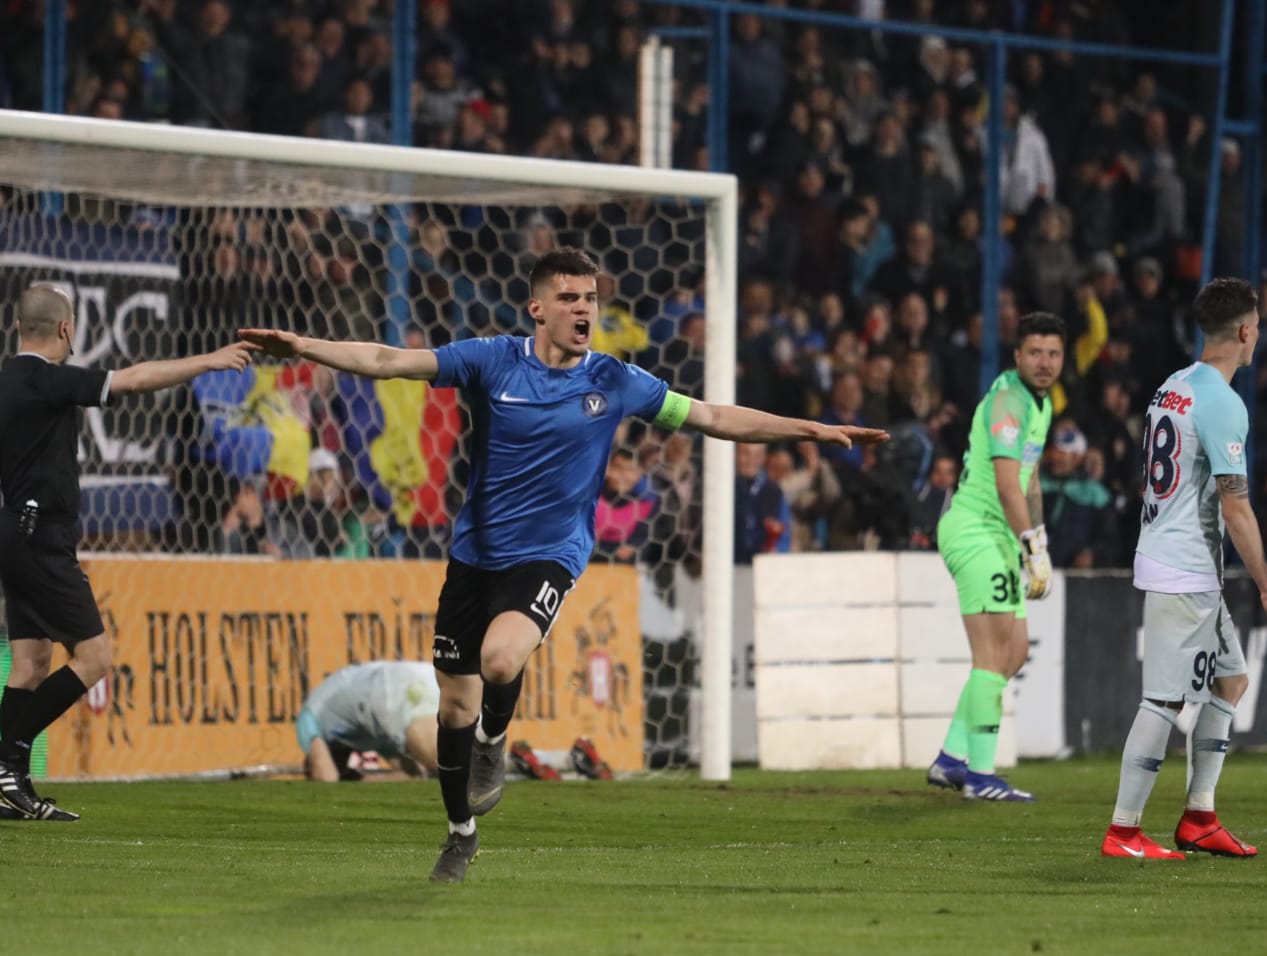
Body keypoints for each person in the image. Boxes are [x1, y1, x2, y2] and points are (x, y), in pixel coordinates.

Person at [238, 246, 888, 883]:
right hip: (474, 556)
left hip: (551, 553)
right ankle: (461, 833)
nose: (584, 310)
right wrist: (303, 347)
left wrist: (810, 429)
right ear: (538, 309)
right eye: (570, 298)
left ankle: (495, 739)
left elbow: (712, 416)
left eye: (591, 299)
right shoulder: (492, 360)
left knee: (500, 661)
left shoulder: (614, 380)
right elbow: (387, 360)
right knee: (453, 710)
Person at [0, 285, 249, 821]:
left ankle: (14, 793)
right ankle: (4, 755)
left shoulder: (1, 384)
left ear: (17, 327)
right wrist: (209, 361)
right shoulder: (50, 380)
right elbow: (135, 379)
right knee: (95, 657)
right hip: (41, 536)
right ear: (65, 328)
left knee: (30, 665)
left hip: (10, 532)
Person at [1101, 278, 1267, 860]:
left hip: (1176, 558)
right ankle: (1123, 832)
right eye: (1257, 326)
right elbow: (1235, 506)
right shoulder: (1222, 402)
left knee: (1230, 680)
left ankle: (1200, 817)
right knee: (1163, 700)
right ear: (1246, 331)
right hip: (1183, 568)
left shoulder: (1173, 385)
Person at [925, 312, 1065, 802]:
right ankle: (980, 775)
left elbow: (1029, 479)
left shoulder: (1041, 404)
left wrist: (1038, 538)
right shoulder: (1007, 401)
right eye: (1036, 353)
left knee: (1014, 651)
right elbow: (1007, 486)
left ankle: (951, 757)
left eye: (1053, 354)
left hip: (1001, 534)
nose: (1045, 362)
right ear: (1017, 356)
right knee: (989, 657)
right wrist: (1031, 548)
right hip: (977, 530)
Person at [298, 660, 440, 782]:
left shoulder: (309, 719)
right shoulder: (363, 731)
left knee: (444, 761)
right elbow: (414, 774)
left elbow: (326, 776)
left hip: (392, 688)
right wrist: (360, 780)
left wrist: (326, 775)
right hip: (420, 675)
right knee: (439, 766)